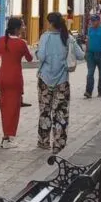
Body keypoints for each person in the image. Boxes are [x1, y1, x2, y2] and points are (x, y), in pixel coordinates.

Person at [36, 12, 77, 154]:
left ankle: (44, 141)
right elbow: (80, 55)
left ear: (51, 23)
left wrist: (37, 52)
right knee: (61, 112)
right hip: (62, 81)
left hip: (45, 80)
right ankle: (59, 143)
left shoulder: (45, 37)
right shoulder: (68, 38)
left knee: (45, 111)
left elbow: (40, 56)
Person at [0, 17, 33, 149]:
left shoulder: (2, 41)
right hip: (15, 78)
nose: (24, 28)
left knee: (4, 107)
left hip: (2, 77)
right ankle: (9, 137)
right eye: (23, 26)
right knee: (13, 109)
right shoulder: (21, 43)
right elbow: (30, 59)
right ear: (17, 28)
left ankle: (5, 136)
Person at [82, 14, 101, 99]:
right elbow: (88, 40)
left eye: (94, 21)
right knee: (90, 73)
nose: (92, 22)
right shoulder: (90, 29)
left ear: (99, 21)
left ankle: (100, 91)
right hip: (91, 54)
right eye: (91, 21)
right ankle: (88, 91)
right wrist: (86, 51)